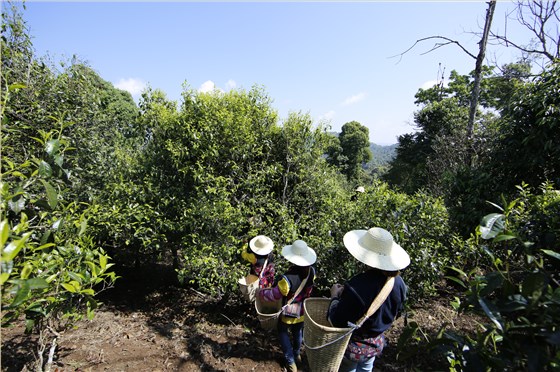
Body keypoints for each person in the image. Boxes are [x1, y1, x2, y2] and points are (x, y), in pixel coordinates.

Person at [328, 227, 410, 372]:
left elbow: (336, 321)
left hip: (353, 347)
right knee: (366, 369)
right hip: (375, 344)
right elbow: (396, 311)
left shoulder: (357, 286)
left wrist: (335, 296)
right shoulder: (399, 283)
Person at [258, 240, 317, 372]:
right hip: (302, 310)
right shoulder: (311, 271)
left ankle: (291, 363)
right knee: (298, 331)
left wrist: (262, 294)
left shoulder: (288, 278)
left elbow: (275, 295)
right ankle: (297, 355)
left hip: (289, 311)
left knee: (283, 331)